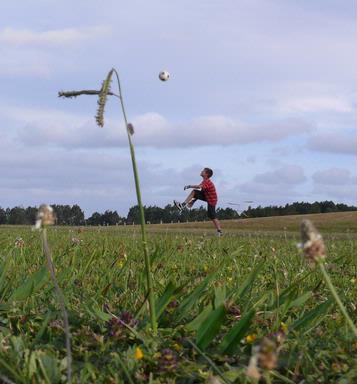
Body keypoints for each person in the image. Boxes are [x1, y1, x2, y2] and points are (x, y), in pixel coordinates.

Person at [174, 167, 223, 236]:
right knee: (194, 192)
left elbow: (199, 187)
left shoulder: (207, 182)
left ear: (206, 174)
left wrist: (189, 186)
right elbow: (200, 192)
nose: (201, 171)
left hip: (212, 200)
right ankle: (182, 205)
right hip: (207, 197)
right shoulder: (204, 181)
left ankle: (219, 232)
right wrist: (193, 201)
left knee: (212, 215)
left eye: (203, 171)